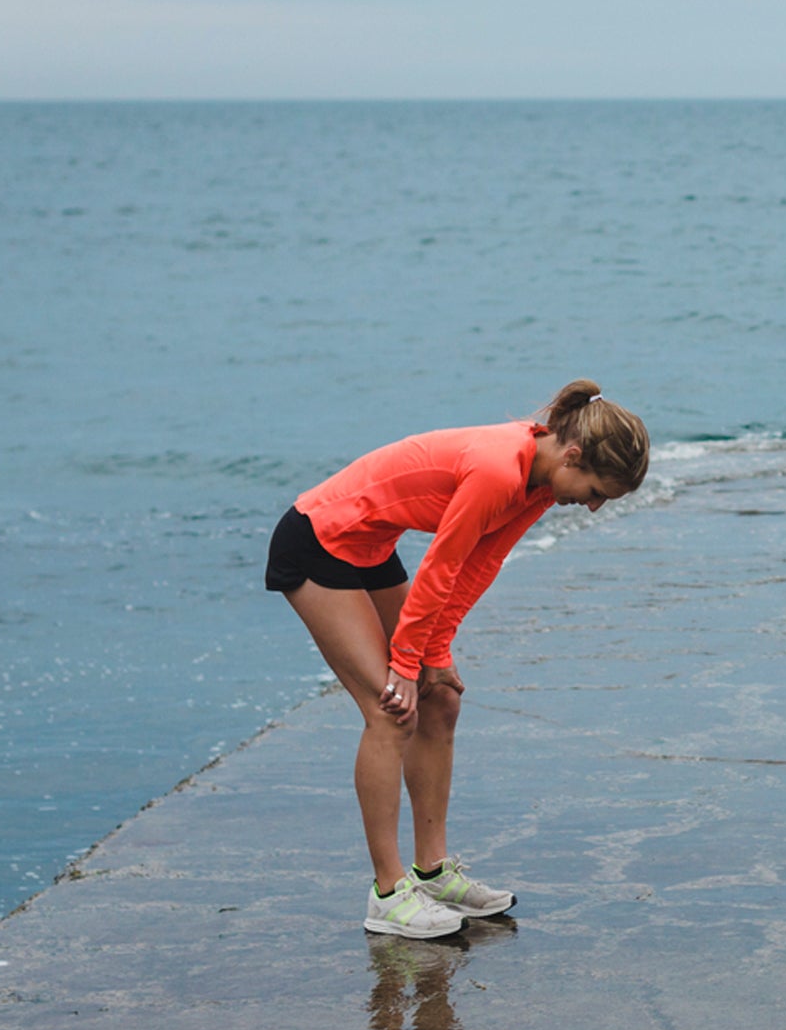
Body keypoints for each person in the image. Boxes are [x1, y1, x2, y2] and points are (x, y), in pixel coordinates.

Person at [266, 380, 649, 938]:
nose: (591, 505)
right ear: (572, 456)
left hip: (369, 548)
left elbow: (479, 565)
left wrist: (434, 654)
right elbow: (441, 567)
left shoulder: (540, 483)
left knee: (440, 699)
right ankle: (387, 893)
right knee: (391, 709)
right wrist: (403, 663)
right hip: (318, 541)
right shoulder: (498, 469)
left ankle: (432, 873)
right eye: (595, 491)